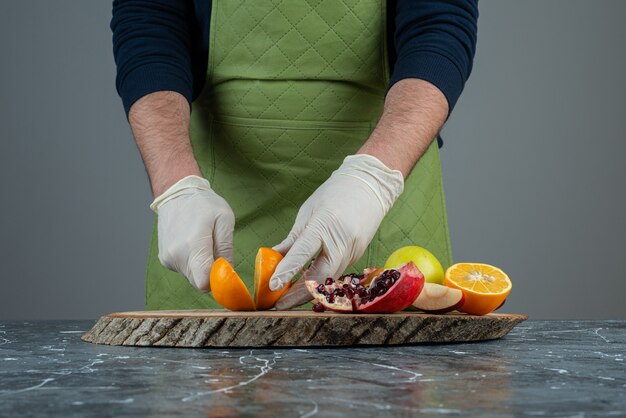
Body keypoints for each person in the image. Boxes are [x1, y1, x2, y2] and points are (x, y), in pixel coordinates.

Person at [111, 0, 479, 310]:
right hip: (212, 202)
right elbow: (149, 22)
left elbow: (440, 24)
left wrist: (375, 176)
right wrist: (176, 184)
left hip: (381, 204)